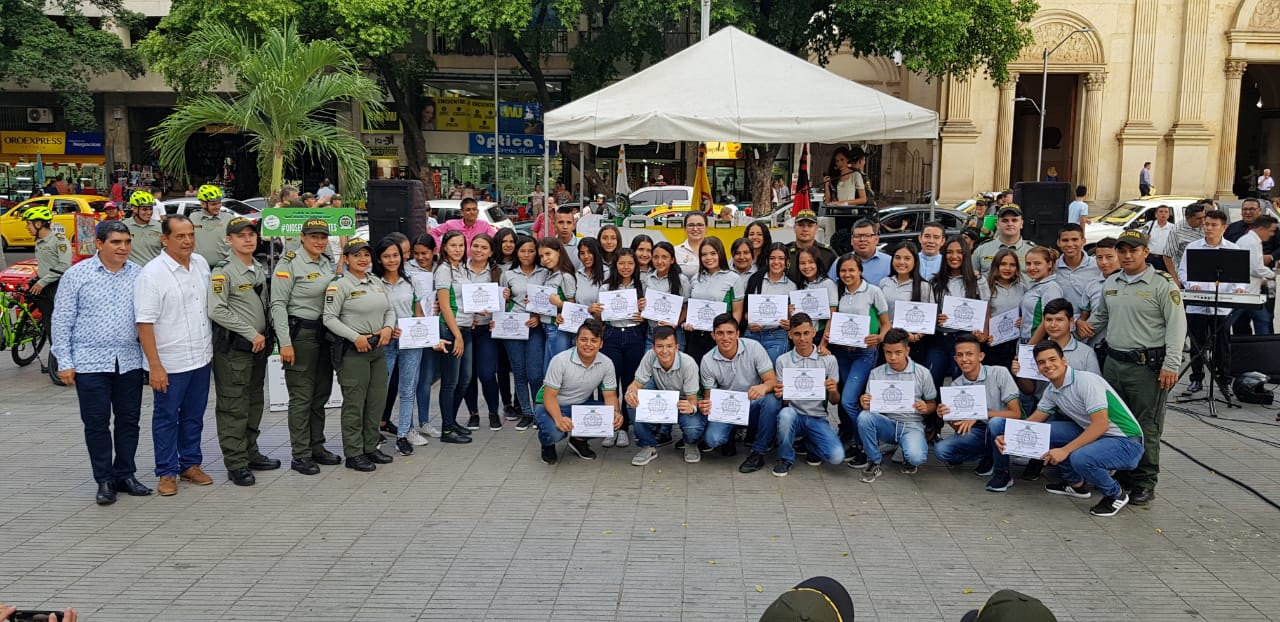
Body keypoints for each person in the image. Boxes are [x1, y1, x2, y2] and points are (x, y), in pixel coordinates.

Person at [1078, 229, 1186, 506]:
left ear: (1145, 253)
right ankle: (1124, 474)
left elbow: (1176, 327)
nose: (1127, 256)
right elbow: (1100, 317)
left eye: (1133, 250)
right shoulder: (1112, 282)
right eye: (1122, 251)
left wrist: (1171, 365)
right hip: (1114, 365)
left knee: (1146, 426)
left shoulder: (1162, 284)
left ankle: (1144, 481)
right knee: (1119, 425)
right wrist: (1074, 331)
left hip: (1147, 368)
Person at [51, 220, 150, 505]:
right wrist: (65, 362)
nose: (123, 248)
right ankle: (104, 479)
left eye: (127, 242)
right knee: (96, 423)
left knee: (129, 421)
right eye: (116, 242)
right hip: (89, 362)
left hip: (129, 361)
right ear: (99, 244)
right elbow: (62, 320)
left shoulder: (139, 275)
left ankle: (126, 474)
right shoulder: (77, 275)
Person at [992, 341, 1146, 517]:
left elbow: (1101, 423)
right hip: (1099, 435)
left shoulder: (1086, 381)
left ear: (1064, 360)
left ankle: (1115, 494)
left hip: (1127, 442)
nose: (1048, 365)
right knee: (1046, 432)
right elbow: (1034, 422)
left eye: (1052, 359)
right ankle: (1076, 485)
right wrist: (1008, 437)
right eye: (1042, 362)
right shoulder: (1052, 390)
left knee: (1079, 457)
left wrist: (1065, 450)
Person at [134, 215, 214, 496]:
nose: (187, 241)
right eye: (180, 236)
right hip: (170, 361)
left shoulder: (201, 265)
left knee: (194, 416)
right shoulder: (152, 274)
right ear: (164, 239)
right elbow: (144, 323)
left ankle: (190, 464)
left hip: (201, 357)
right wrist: (155, 366)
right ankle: (166, 471)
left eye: (190, 234)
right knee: (167, 416)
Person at [271, 219, 345, 475]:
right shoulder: (289, 263)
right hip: (300, 335)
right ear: (302, 237)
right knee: (302, 397)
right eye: (313, 236)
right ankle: (300, 454)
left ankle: (317, 446)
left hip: (324, 335)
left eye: (323, 236)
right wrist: (285, 343)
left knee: (321, 393)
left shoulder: (326, 261)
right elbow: (278, 304)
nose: (319, 241)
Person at [208, 217, 277, 486]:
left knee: (253, 401)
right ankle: (236, 463)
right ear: (229, 240)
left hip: (257, 347)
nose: (248, 239)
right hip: (235, 348)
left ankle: (251, 451)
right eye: (240, 236)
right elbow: (216, 309)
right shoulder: (223, 271)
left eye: (251, 235)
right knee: (233, 405)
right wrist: (250, 332)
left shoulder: (256, 266)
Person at [323, 238, 396, 472]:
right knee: (355, 403)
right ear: (346, 259)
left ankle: (371, 446)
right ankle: (354, 453)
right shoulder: (340, 285)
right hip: (354, 350)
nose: (363, 259)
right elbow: (329, 318)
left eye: (366, 254)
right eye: (356, 255)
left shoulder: (375, 281)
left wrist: (387, 328)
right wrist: (355, 337)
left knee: (376, 401)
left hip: (377, 348)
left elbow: (390, 309)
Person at [932, 334, 1021, 489]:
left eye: (969, 354)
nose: (964, 359)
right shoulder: (956, 385)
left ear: (981, 356)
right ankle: (988, 454)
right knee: (941, 450)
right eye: (959, 355)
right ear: (955, 359)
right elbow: (960, 429)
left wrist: (981, 414)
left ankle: (1003, 473)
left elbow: (1016, 413)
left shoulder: (999, 373)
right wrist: (948, 417)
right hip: (979, 430)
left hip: (1003, 428)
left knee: (995, 423)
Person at [696, 313, 783, 470]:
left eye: (730, 333)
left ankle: (758, 452)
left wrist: (763, 387)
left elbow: (772, 381)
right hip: (727, 409)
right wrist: (705, 406)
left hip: (753, 403)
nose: (725, 338)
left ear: (738, 334)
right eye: (720, 333)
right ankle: (729, 436)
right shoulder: (707, 360)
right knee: (713, 439)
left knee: (772, 400)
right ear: (713, 335)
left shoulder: (754, 347)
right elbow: (710, 397)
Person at [852, 328, 937, 482]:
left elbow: (932, 404)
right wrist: (865, 403)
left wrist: (926, 407)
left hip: (912, 424)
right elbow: (870, 407)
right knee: (864, 417)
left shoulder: (922, 373)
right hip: (887, 424)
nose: (892, 357)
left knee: (916, 457)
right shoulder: (876, 373)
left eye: (898, 352)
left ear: (907, 350)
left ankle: (903, 449)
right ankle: (874, 460)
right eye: (888, 352)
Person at [827, 253, 891, 457]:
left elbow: (885, 323)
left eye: (851, 270)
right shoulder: (839, 292)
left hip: (865, 352)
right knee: (848, 400)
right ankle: (855, 440)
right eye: (843, 271)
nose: (847, 274)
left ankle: (865, 442)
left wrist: (879, 338)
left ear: (860, 271)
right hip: (842, 352)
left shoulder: (873, 291)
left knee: (847, 400)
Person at [534, 318, 623, 464]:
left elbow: (610, 395)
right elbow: (549, 396)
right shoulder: (560, 361)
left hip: (579, 404)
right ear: (576, 340)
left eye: (594, 341)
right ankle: (547, 444)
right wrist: (559, 419)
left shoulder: (606, 363)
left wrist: (615, 413)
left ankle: (578, 440)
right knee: (555, 432)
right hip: (549, 404)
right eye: (584, 339)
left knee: (608, 419)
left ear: (601, 344)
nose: (588, 344)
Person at [1178, 209, 1245, 398]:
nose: (1208, 228)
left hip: (1221, 305)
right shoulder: (1193, 247)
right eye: (1206, 224)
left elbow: (1239, 276)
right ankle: (1196, 379)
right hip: (1197, 304)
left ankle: (1224, 381)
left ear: (1223, 227)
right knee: (1197, 343)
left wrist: (1238, 288)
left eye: (1213, 225)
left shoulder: (1233, 249)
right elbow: (1183, 271)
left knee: (1221, 345)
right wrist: (1194, 284)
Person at [373, 236, 430, 455]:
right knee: (380, 389)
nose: (391, 260)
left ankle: (403, 434)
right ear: (379, 258)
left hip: (410, 342)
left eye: (395, 255)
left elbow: (419, 311)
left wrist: (424, 333)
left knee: (408, 389)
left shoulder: (412, 281)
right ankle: (373, 430)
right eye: (386, 256)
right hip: (384, 342)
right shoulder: (374, 282)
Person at [771, 313, 843, 476]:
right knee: (785, 415)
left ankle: (810, 444)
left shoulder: (828, 360)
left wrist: (833, 390)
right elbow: (784, 403)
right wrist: (783, 394)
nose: (802, 338)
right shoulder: (783, 360)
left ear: (813, 332)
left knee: (837, 457)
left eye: (806, 333)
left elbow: (834, 401)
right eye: (797, 334)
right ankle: (786, 458)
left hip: (817, 417)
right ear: (790, 334)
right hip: (794, 415)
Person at [626, 325, 701, 465]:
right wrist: (630, 393)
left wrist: (691, 408)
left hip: (683, 400)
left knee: (693, 428)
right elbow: (635, 384)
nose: (664, 351)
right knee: (633, 402)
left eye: (669, 346)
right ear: (653, 347)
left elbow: (693, 400)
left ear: (677, 347)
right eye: (660, 346)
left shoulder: (688, 363)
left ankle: (690, 442)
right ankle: (648, 445)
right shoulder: (649, 356)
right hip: (663, 396)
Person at [598, 248, 646, 449]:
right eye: (621, 263)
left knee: (629, 382)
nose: (626, 267)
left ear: (635, 266)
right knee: (609, 383)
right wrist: (597, 310)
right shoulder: (606, 287)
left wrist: (644, 312)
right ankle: (610, 426)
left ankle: (624, 427)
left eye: (630, 263)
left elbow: (650, 313)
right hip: (612, 334)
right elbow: (600, 316)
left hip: (634, 334)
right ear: (615, 265)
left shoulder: (643, 286)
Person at [499, 235, 547, 431]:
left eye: (531, 250)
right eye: (522, 251)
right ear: (516, 253)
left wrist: (537, 315)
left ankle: (539, 412)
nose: (527, 255)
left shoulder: (544, 273)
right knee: (519, 372)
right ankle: (526, 412)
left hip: (535, 327)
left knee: (535, 373)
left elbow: (548, 299)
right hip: (513, 328)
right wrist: (506, 299)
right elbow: (501, 304)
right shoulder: (508, 274)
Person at [737, 243, 797, 364]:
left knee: (771, 373)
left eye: (781, 258)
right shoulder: (755, 279)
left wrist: (789, 323)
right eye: (772, 258)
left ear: (786, 262)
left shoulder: (792, 286)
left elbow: (793, 316)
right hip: (752, 333)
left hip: (777, 336)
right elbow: (744, 311)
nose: (776, 262)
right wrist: (749, 319)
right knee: (750, 372)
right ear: (767, 260)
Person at [684, 237, 741, 363]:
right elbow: (690, 306)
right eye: (704, 254)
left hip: (719, 337)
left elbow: (737, 312)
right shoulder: (695, 278)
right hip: (696, 335)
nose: (708, 258)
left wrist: (728, 335)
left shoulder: (733, 278)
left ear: (720, 253)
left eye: (713, 253)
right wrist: (688, 323)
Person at [25, 205, 71, 361]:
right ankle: (56, 361)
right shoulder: (39, 242)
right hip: (44, 288)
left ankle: (66, 359)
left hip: (57, 288)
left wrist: (42, 282)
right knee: (49, 324)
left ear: (39, 224)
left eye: (29, 224)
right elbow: (45, 266)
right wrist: (36, 279)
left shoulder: (59, 240)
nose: (27, 227)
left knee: (61, 325)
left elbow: (64, 265)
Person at [1233, 214, 1278, 335]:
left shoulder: (1251, 240)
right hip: (1245, 292)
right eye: (1271, 231)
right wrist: (1270, 274)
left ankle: (1265, 346)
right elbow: (1255, 268)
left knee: (1263, 320)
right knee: (1262, 320)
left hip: (1251, 291)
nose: (1272, 234)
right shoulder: (1251, 242)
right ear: (1262, 228)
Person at [539, 237, 579, 370]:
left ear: (559, 252)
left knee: (555, 370)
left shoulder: (565, 276)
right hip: (547, 326)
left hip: (558, 328)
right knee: (548, 370)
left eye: (548, 254)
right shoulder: (549, 274)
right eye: (542, 256)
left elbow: (573, 305)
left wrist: (560, 304)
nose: (545, 259)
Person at [982, 249, 1025, 369]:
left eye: (1012, 265)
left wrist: (1023, 319)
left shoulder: (1022, 288)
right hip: (993, 343)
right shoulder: (986, 286)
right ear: (996, 266)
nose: (1008, 268)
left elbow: (1026, 311)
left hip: (1015, 342)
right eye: (1003, 264)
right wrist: (987, 333)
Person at [972, 205, 1036, 277]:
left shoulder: (1033, 251)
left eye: (1014, 220)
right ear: (997, 224)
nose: (1010, 224)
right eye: (1005, 220)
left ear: (1021, 224)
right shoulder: (981, 250)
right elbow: (971, 279)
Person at [827, 219, 889, 284]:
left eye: (867, 236)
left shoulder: (889, 262)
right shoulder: (840, 262)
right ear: (851, 240)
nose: (862, 240)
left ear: (876, 239)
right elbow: (830, 287)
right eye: (857, 236)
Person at [1161, 201, 1207, 288]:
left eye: (1203, 217)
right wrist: (1175, 280)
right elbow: (1167, 256)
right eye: (1198, 218)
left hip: (1205, 275)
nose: (1203, 221)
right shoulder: (1177, 230)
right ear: (1188, 218)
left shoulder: (1206, 226)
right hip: (1185, 275)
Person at [784, 210, 837, 283]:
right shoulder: (784, 252)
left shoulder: (828, 254)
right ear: (794, 228)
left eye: (810, 225)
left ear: (816, 228)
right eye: (801, 225)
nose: (805, 229)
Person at [190, 184, 234, 268]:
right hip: (198, 268)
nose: (218, 206)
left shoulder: (229, 218)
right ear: (203, 204)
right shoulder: (193, 217)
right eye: (213, 204)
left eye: (219, 203)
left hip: (223, 268)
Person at [430, 197, 497, 248]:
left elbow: (496, 239)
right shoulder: (451, 224)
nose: (472, 212)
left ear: (478, 211)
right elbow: (433, 233)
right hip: (456, 263)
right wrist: (439, 247)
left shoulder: (484, 225)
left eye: (474, 209)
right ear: (462, 213)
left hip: (475, 263)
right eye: (468, 210)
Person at [123, 190, 163, 265]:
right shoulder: (123, 227)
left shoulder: (160, 227)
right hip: (132, 274)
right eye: (144, 209)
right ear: (134, 209)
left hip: (154, 273)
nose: (149, 212)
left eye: (151, 209)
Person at [674, 211, 710, 279]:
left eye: (700, 225)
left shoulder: (715, 250)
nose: (695, 229)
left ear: (706, 228)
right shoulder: (675, 251)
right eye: (691, 225)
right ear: (685, 228)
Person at [1141, 205, 1174, 270]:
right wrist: (1145, 238)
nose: (1163, 214)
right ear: (1156, 214)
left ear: (1168, 215)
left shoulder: (1173, 228)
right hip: (1150, 257)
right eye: (1161, 211)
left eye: (1166, 212)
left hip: (1165, 259)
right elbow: (1141, 239)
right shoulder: (1150, 225)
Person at [551, 204, 584, 270]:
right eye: (561, 222)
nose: (565, 227)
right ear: (554, 225)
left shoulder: (583, 245)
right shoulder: (549, 246)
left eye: (569, 222)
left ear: (574, 225)